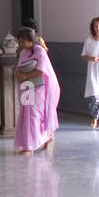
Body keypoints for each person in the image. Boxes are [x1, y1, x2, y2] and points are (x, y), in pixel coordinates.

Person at [13, 26, 60, 154]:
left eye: (23, 41)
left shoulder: (39, 51)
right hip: (25, 87)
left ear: (31, 40)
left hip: (38, 88)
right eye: (20, 42)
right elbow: (18, 67)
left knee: (34, 115)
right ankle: (43, 138)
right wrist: (19, 76)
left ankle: (31, 145)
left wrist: (26, 76)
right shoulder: (23, 53)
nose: (21, 44)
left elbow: (40, 70)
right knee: (25, 114)